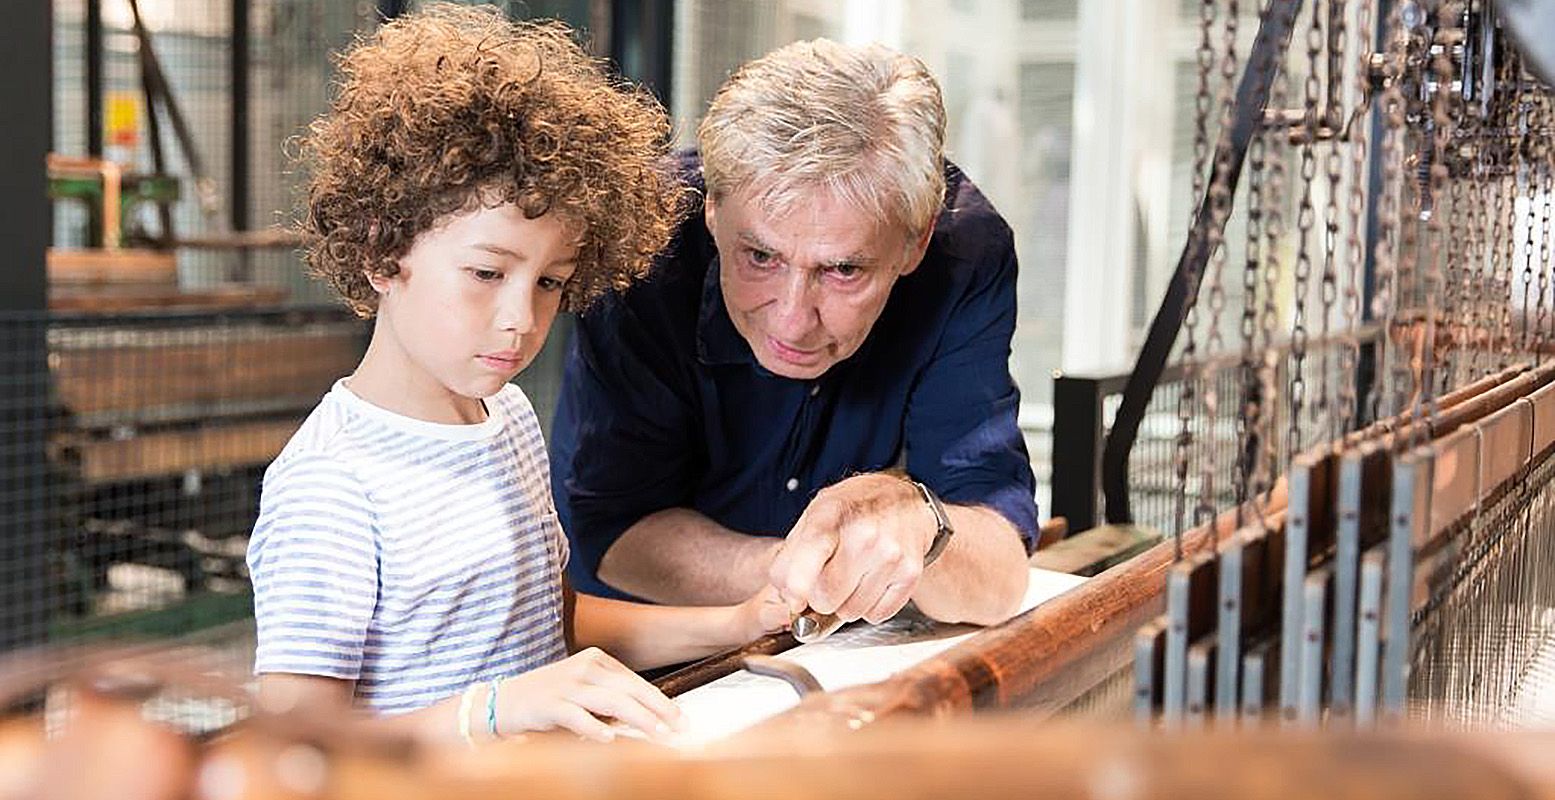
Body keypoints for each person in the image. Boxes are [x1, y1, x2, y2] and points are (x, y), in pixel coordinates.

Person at [246, 4, 784, 747]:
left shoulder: (507, 420)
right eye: (485, 272)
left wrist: (737, 624)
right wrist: (493, 712)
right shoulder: (332, 485)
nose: (520, 319)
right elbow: (295, 751)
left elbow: (549, 624)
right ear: (380, 252)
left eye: (549, 282)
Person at [550, 38, 1036, 632]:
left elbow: (996, 578)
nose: (791, 321)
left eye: (843, 270)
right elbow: (613, 532)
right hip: (635, 644)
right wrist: (818, 566)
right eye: (759, 256)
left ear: (915, 240)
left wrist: (921, 522)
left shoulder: (965, 255)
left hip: (839, 655)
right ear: (712, 208)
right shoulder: (644, 237)